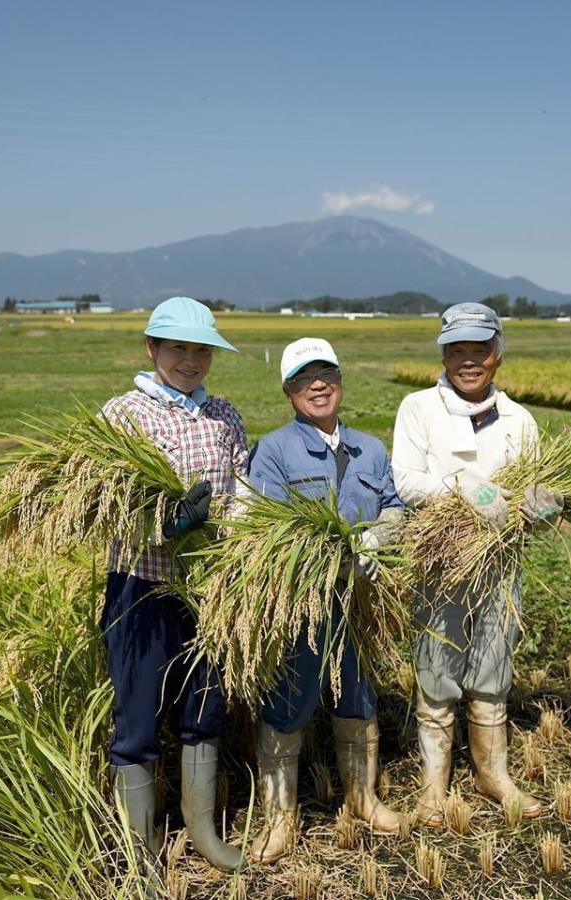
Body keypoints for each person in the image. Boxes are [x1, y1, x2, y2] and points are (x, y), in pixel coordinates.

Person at [391, 302, 564, 825]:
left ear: (497, 354)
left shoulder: (519, 418)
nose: (469, 360)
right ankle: (433, 787)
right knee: (436, 669)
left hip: (500, 563)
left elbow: (533, 487)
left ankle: (493, 776)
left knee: (493, 666)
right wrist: (466, 489)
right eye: (457, 350)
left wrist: (540, 504)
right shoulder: (418, 408)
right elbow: (405, 481)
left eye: (479, 350)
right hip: (440, 562)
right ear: (443, 354)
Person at [99, 297, 248, 873]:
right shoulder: (124, 414)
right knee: (136, 716)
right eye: (178, 348)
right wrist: (165, 526)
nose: (190, 360)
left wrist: (235, 537)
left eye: (201, 350)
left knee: (204, 706)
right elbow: (104, 506)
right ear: (152, 349)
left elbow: (241, 491)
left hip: (211, 589)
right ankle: (140, 848)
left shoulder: (225, 415)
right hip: (143, 585)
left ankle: (203, 831)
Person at [245, 338, 404, 863]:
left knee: (357, 697)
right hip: (301, 603)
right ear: (289, 391)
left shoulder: (370, 448)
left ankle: (363, 798)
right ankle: (280, 819)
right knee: (288, 700)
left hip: (359, 597)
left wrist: (383, 532)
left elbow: (395, 504)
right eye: (306, 377)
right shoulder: (273, 449)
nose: (319, 384)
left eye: (327, 374)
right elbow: (262, 522)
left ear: (340, 382)